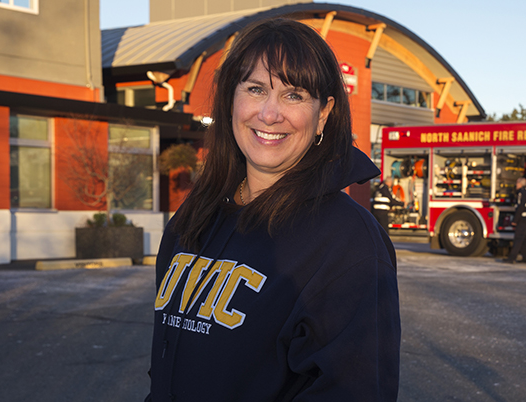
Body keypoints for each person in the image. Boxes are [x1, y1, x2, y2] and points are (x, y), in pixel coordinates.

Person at [147, 19, 400, 401]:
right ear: (232, 100)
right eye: (255, 89)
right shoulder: (195, 216)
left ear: (324, 113)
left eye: (294, 95)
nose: (269, 114)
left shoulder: (348, 242)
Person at [504, 177, 526, 263]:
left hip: (523, 219)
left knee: (518, 239)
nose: (516, 185)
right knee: (524, 240)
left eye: (517, 183)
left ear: (520, 184)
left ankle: (511, 258)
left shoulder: (521, 193)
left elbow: (520, 207)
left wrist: (515, 220)